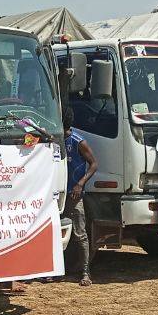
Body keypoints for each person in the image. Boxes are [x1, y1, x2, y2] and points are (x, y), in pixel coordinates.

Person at [63, 108, 98, 286]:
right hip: (57, 195)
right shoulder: (53, 140)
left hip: (74, 194)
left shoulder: (78, 141)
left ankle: (85, 272)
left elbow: (94, 164)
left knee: (79, 234)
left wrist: (80, 183)